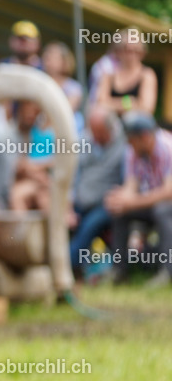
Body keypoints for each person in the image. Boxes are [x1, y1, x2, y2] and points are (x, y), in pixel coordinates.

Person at [104, 112, 172, 286]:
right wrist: (120, 199)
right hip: (150, 201)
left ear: (145, 136)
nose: (128, 144)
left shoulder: (168, 147)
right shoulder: (132, 151)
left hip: (167, 204)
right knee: (120, 211)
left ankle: (167, 271)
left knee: (162, 210)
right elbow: (131, 186)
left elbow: (168, 192)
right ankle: (119, 271)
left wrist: (132, 202)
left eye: (131, 139)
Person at [69, 111, 125, 277]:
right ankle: (61, 266)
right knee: (61, 221)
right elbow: (73, 176)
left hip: (105, 204)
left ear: (110, 129)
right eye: (93, 132)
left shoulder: (124, 144)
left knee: (89, 226)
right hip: (80, 202)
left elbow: (128, 179)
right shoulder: (85, 140)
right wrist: (67, 208)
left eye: (99, 133)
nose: (95, 137)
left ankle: (67, 267)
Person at [93, 30, 158, 119]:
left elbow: (147, 108)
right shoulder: (109, 75)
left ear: (143, 53)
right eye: (127, 50)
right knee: (97, 116)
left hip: (137, 122)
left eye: (136, 50)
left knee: (131, 119)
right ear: (118, 51)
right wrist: (130, 102)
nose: (131, 55)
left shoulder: (147, 74)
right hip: (112, 121)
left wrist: (112, 103)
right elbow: (100, 103)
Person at [9, 101, 55, 212]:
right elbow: (19, 166)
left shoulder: (42, 134)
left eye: (34, 112)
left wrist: (38, 171)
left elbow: (55, 162)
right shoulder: (12, 134)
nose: (31, 115)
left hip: (40, 183)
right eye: (28, 110)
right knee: (17, 196)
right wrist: (39, 175)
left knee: (44, 199)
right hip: (24, 182)